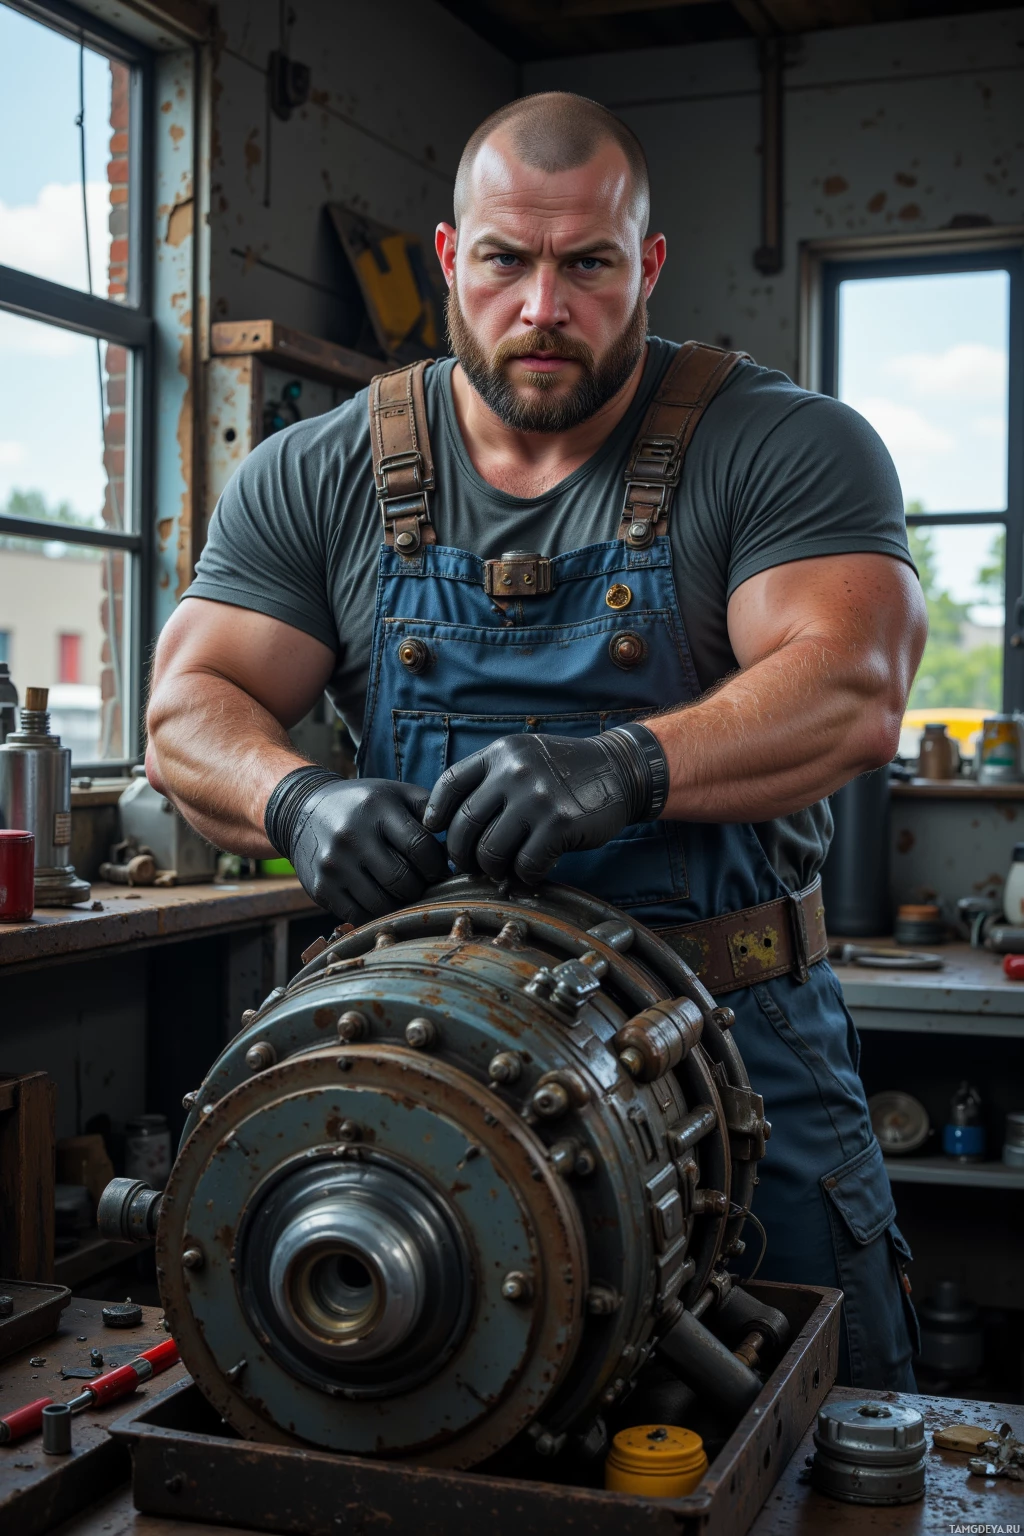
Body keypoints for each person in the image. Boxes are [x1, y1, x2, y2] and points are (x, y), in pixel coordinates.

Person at [147, 92, 927, 1389]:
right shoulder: (317, 472)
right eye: (508, 260)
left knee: (827, 1433)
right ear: (454, 259)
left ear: (648, 265)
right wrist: (297, 804)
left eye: (590, 263)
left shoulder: (784, 444)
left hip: (732, 1054)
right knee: (409, 1410)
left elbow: (850, 686)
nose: (545, 306)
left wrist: (628, 765)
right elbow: (191, 702)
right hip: (425, 1061)